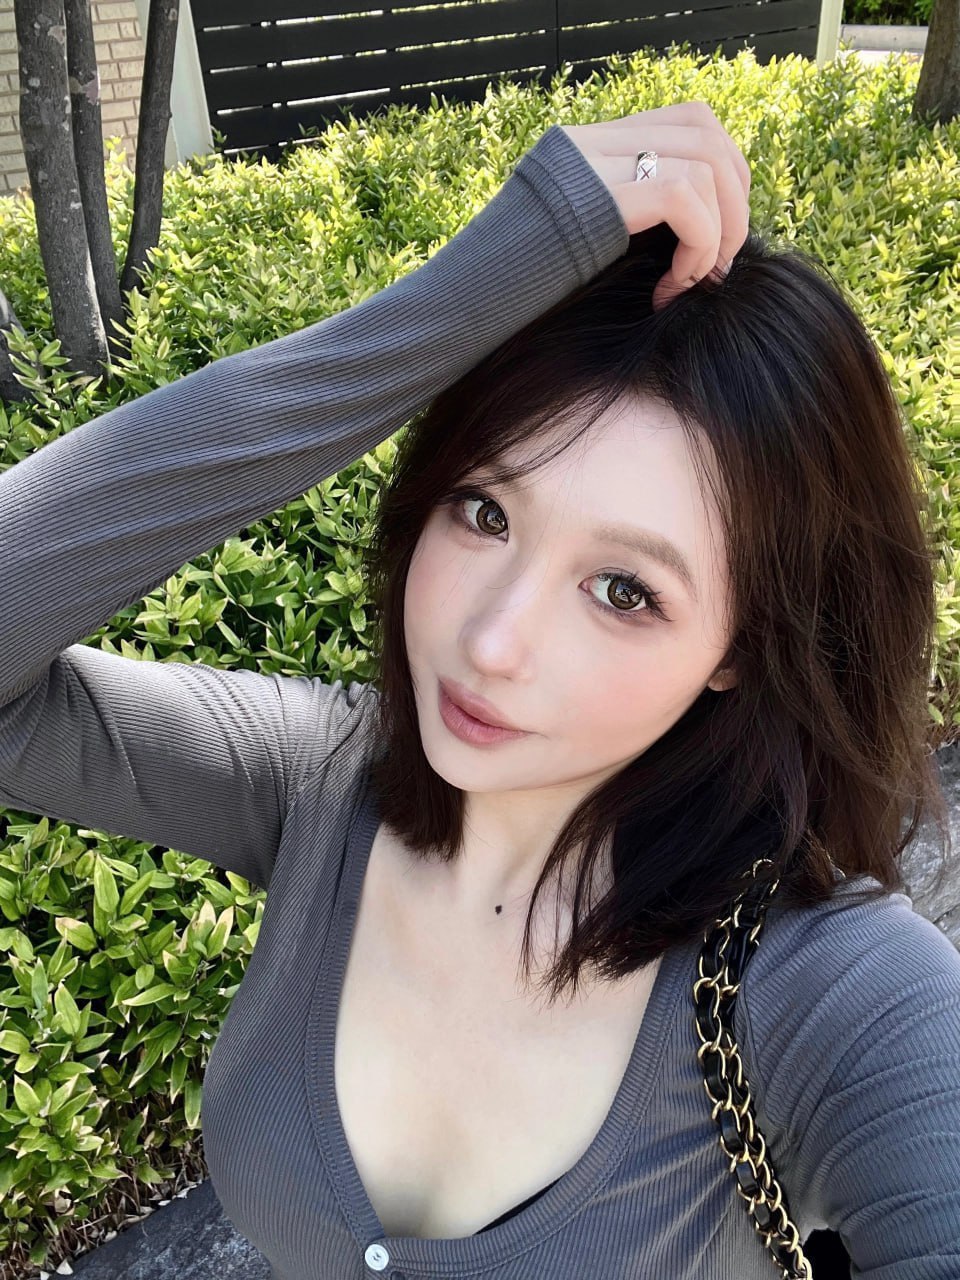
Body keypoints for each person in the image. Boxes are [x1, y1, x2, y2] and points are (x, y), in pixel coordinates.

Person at [0, 101, 957, 1280]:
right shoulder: (315, 784)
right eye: (485, 509)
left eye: (623, 589)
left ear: (743, 646)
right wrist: (474, 289)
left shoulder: (838, 993)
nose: (493, 640)